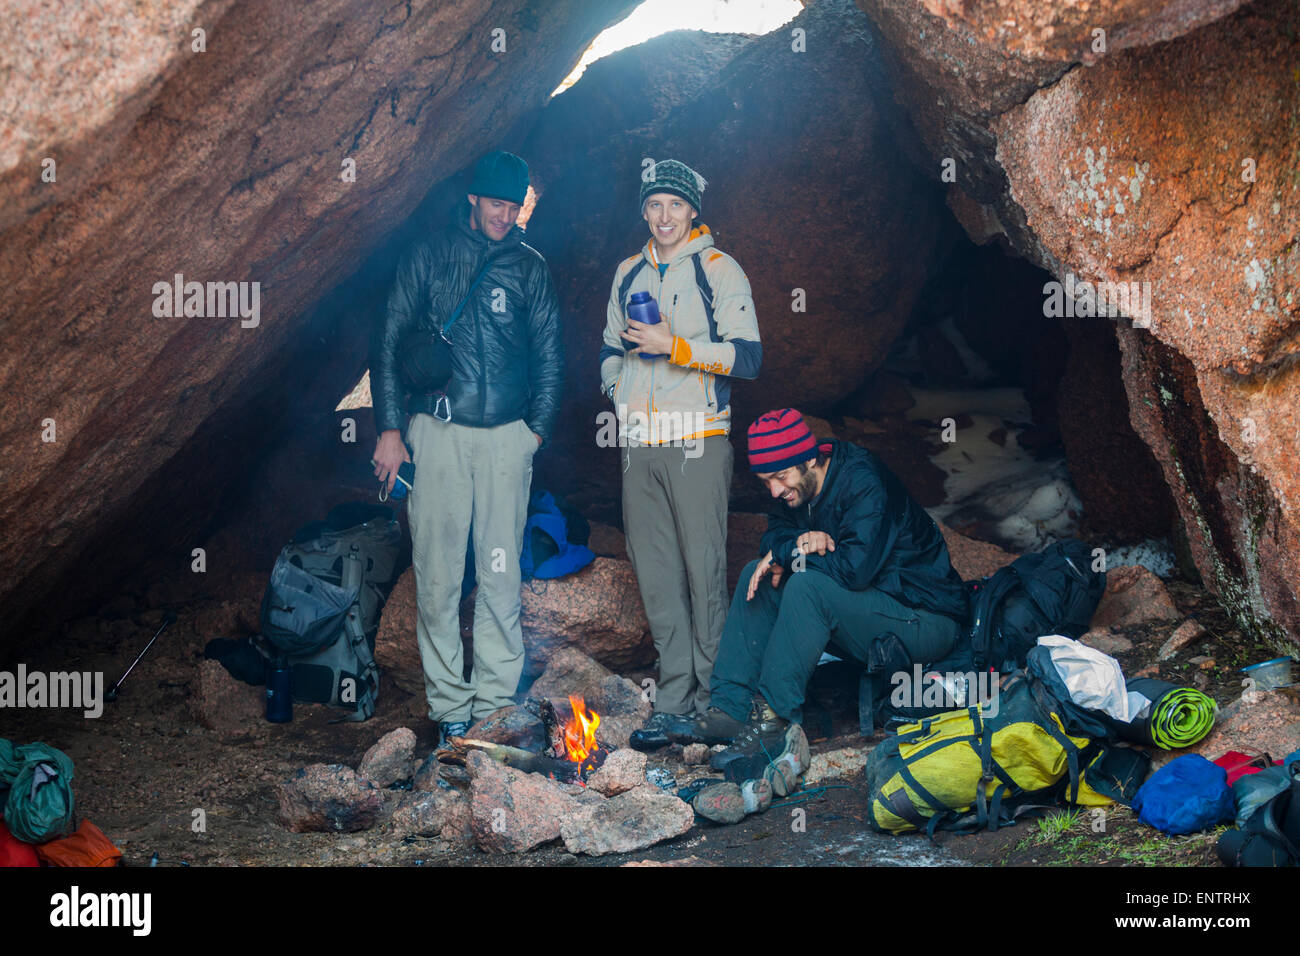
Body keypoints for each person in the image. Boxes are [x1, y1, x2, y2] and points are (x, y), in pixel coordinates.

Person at [371, 150, 563, 745]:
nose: (504, 215)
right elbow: (387, 340)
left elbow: (551, 355)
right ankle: (451, 704)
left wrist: (534, 433)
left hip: (507, 438)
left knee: (501, 576)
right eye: (495, 203)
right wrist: (390, 428)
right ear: (474, 199)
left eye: (514, 205)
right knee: (438, 574)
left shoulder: (530, 267)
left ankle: (495, 702)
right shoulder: (428, 254)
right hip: (439, 432)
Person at [676, 408, 969, 795]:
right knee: (755, 573)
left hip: (923, 619)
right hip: (867, 611)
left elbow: (854, 571)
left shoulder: (863, 481)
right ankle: (729, 709)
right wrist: (795, 544)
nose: (775, 490)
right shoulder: (796, 488)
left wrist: (798, 554)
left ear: (809, 459)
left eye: (780, 478)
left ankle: (775, 724)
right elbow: (773, 538)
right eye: (767, 482)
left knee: (806, 586)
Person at [598, 159, 761, 750]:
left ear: (693, 210)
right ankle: (671, 702)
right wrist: (617, 391)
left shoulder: (719, 269)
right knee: (657, 574)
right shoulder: (627, 273)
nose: (664, 216)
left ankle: (716, 701)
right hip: (639, 444)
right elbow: (608, 350)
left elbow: (747, 358)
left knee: (704, 571)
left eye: (676, 205)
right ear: (644, 211)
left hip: (698, 439)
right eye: (655, 205)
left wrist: (678, 346)